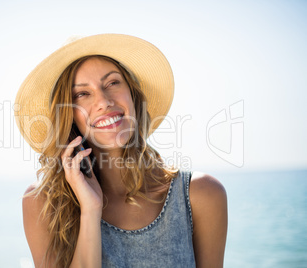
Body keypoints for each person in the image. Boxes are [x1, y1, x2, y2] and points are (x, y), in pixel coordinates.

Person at [14, 34, 227, 268]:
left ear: (133, 96)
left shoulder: (202, 195)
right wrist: (90, 209)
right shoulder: (43, 203)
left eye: (113, 83)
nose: (104, 101)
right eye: (82, 94)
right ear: (69, 115)